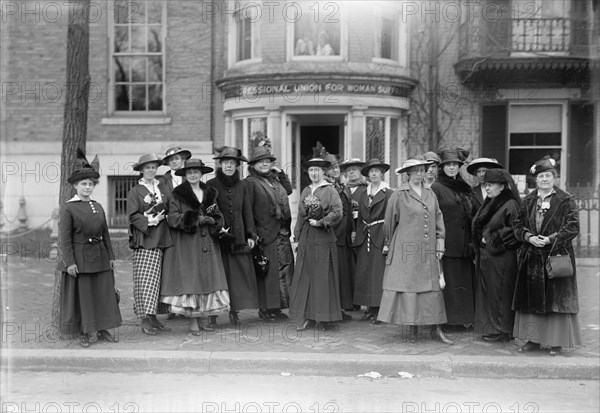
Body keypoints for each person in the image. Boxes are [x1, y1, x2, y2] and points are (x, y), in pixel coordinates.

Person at [377, 157, 453, 344]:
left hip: (427, 249)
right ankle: (411, 328)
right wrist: (391, 244)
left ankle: (436, 328)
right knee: (410, 287)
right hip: (407, 249)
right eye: (416, 171)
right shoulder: (398, 195)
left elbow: (438, 219)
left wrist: (440, 242)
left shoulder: (430, 193)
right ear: (408, 174)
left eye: (422, 170)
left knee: (432, 288)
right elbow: (389, 223)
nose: (420, 174)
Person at [512, 156, 581, 356]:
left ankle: (555, 343)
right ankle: (533, 340)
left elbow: (573, 226)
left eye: (548, 175)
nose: (544, 179)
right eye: (541, 176)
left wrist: (551, 239)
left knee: (556, 301)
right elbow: (517, 225)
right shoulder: (528, 200)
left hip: (556, 256)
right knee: (532, 301)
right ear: (535, 179)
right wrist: (529, 237)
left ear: (554, 177)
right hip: (532, 257)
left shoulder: (565, 199)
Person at [59, 150, 122, 347]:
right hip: (81, 258)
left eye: (90, 184)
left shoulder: (98, 206)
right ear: (76, 186)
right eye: (83, 184)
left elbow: (105, 234)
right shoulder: (69, 208)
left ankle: (103, 328)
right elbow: (65, 239)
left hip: (101, 257)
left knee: (103, 293)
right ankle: (88, 331)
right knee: (85, 296)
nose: (87, 187)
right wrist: (70, 262)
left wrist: (111, 256)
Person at [160, 158, 230, 334]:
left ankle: (204, 318)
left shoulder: (210, 193)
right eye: (189, 172)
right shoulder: (178, 194)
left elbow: (218, 214)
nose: (192, 175)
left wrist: (216, 221)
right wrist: (196, 219)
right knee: (191, 281)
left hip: (208, 243)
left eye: (196, 172)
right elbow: (173, 218)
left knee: (206, 279)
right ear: (185, 175)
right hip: (187, 244)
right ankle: (193, 321)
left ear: (201, 174)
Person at [206, 147, 259, 326]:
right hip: (218, 237)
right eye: (226, 163)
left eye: (232, 163)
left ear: (237, 165)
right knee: (217, 276)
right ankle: (212, 315)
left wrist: (251, 234)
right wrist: (217, 228)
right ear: (220, 165)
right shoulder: (211, 184)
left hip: (238, 236)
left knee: (235, 277)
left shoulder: (243, 185)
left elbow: (247, 211)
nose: (229, 166)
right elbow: (209, 210)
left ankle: (233, 311)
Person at [290, 157, 343, 331]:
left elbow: (337, 212)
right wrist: (296, 236)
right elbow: (299, 214)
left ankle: (324, 317)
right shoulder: (306, 190)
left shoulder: (330, 190)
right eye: (311, 170)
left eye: (317, 170)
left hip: (322, 237)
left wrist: (321, 222)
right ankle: (308, 317)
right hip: (307, 237)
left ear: (323, 172)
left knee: (322, 278)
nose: (314, 173)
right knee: (306, 277)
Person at [245, 146, 295, 321]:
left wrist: (280, 173)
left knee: (282, 272)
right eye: (261, 162)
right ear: (254, 165)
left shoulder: (274, 180)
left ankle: (277, 308)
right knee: (268, 273)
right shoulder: (251, 182)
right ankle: (265, 309)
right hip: (264, 233)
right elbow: (248, 210)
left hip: (281, 233)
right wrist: (252, 233)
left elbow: (288, 190)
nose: (265, 164)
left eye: (268, 161)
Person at [472, 168, 521, 342]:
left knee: (501, 294)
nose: (487, 188)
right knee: (491, 294)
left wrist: (491, 238)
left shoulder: (510, 204)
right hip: (490, 259)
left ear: (502, 187)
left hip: (503, 259)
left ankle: (503, 330)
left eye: (491, 185)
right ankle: (493, 328)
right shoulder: (491, 201)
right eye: (486, 185)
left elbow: (515, 231)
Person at [128, 153, 173, 335]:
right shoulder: (135, 191)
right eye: (147, 167)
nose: (151, 170)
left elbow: (170, 205)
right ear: (141, 170)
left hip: (163, 237)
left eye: (153, 167)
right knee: (146, 280)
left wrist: (167, 214)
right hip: (146, 239)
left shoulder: (161, 187)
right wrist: (151, 220)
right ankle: (145, 318)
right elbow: (132, 215)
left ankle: (155, 316)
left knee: (159, 281)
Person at [431, 148, 476, 329]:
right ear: (442, 167)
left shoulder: (464, 187)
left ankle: (464, 317)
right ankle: (450, 320)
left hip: (465, 242)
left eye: (455, 165)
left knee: (463, 280)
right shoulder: (437, 187)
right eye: (448, 165)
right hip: (448, 242)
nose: (451, 168)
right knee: (450, 281)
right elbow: (433, 216)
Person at [353, 158, 392, 323]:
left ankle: (379, 310)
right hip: (365, 235)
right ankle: (368, 308)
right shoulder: (363, 193)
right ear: (368, 174)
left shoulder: (389, 193)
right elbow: (360, 216)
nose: (374, 174)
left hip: (380, 235)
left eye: (377, 171)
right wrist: (356, 233)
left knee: (378, 273)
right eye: (371, 171)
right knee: (365, 272)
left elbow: (391, 219)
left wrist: (388, 241)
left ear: (382, 173)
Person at [323, 152, 354, 319]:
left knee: (342, 274)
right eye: (331, 168)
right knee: (333, 273)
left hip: (344, 236)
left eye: (336, 167)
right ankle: (332, 310)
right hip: (333, 235)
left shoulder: (342, 186)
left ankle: (340, 308)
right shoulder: (326, 187)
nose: (335, 170)